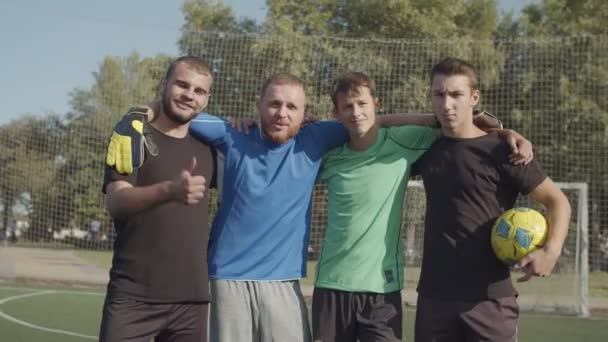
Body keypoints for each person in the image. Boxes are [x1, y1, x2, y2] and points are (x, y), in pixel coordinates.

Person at [312, 72, 532, 342]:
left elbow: (457, 128)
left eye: (362, 104)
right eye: (347, 107)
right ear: (336, 113)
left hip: (383, 288)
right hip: (331, 284)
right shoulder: (329, 157)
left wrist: (503, 132)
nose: (356, 112)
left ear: (376, 104)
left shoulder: (404, 142)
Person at [412, 57, 571, 342]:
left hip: (490, 298)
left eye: (456, 94)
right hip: (434, 298)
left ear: (474, 97)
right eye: (439, 94)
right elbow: (375, 125)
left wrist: (551, 252)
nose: (447, 104)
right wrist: (495, 124)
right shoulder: (425, 147)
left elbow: (557, 201)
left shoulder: (503, 150)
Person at [99, 56, 215, 342]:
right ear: (164, 85)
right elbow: (116, 202)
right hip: (133, 296)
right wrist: (169, 191)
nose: (189, 95)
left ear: (206, 100)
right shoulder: (131, 136)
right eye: (182, 85)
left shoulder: (211, 149)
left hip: (192, 302)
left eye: (199, 91)